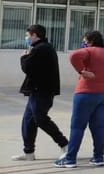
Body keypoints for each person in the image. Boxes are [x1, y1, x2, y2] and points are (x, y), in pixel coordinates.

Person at [55, 30, 104, 168]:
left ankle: (70, 159)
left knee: (77, 126)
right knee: (98, 127)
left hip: (86, 93)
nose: (83, 43)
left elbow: (74, 55)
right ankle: (98, 157)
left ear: (90, 41)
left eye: (85, 41)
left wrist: (81, 71)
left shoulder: (89, 51)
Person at [13, 24, 69, 161]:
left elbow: (28, 67)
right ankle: (29, 152)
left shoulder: (41, 49)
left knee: (41, 119)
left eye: (28, 35)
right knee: (28, 121)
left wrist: (23, 57)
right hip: (36, 90)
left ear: (34, 35)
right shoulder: (41, 48)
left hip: (42, 91)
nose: (26, 38)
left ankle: (65, 145)